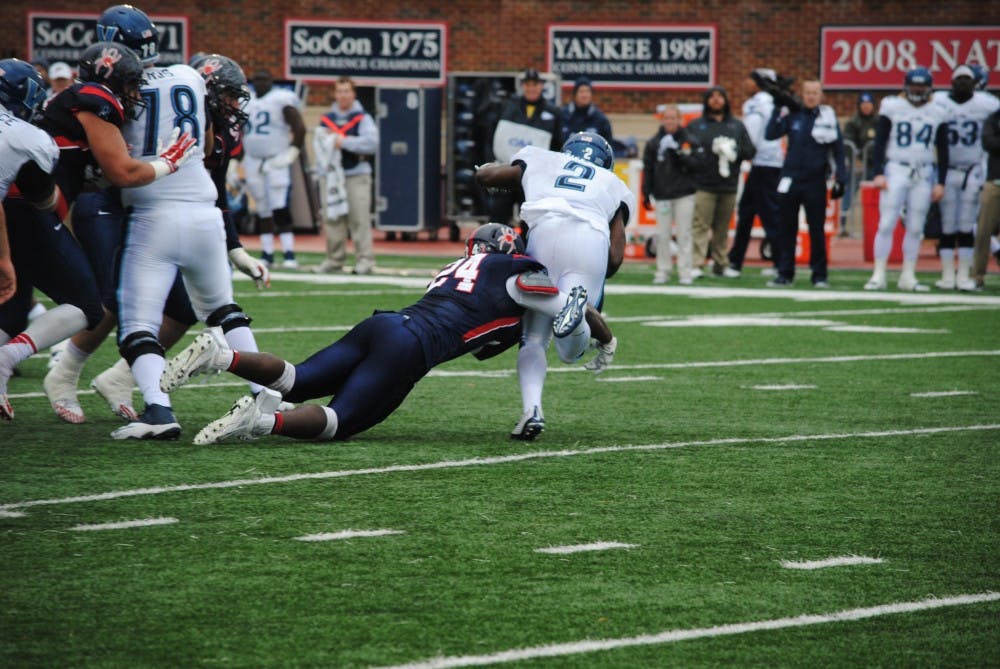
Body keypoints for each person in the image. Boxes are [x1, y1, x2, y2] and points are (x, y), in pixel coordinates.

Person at [160, 224, 612, 444]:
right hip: (411, 346)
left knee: (298, 379)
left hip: (384, 323)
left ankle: (222, 357)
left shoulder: (454, 268)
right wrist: (604, 334)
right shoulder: (518, 271)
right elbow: (568, 306)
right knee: (340, 423)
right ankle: (259, 421)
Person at [1, 45, 196, 421]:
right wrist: (168, 163)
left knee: (11, 309)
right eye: (131, 84)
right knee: (88, 305)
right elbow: (118, 173)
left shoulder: (65, 109)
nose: (137, 94)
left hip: (20, 206)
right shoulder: (95, 101)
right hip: (28, 209)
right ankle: (10, 361)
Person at [109, 40, 259, 440]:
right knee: (223, 310)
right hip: (204, 213)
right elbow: (207, 145)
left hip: (151, 213)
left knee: (139, 324)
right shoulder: (189, 76)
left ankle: (158, 409)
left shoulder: (123, 88)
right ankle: (267, 391)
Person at [476, 132, 632, 440]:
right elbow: (615, 258)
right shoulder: (614, 184)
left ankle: (532, 411)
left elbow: (488, 176)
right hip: (589, 239)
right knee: (569, 352)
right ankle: (573, 315)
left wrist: (487, 170)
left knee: (533, 338)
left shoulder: (541, 157)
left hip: (544, 235)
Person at [865, 67, 949, 292]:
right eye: (914, 86)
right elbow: (880, 141)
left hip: (923, 171)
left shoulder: (938, 110)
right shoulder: (893, 106)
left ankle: (908, 275)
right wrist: (878, 172)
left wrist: (941, 181)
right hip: (896, 169)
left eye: (921, 87)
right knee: (886, 222)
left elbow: (942, 148)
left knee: (915, 227)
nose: (917, 91)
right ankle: (878, 273)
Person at [763, 79, 847, 287]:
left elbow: (838, 149)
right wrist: (777, 107)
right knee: (786, 228)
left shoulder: (827, 117)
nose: (810, 96)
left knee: (816, 229)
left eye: (815, 93)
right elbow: (771, 134)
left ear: (821, 96)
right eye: (807, 92)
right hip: (790, 179)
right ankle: (785, 273)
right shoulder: (793, 114)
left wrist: (841, 178)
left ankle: (819, 275)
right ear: (802, 94)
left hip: (815, 180)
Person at [931, 65, 1000, 291]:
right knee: (948, 224)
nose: (962, 83)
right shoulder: (939, 101)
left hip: (973, 168)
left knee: (967, 223)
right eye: (958, 79)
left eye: (966, 79)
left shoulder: (986, 103)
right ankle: (948, 275)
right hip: (948, 168)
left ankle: (964, 275)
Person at [311, 76, 379, 275]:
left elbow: (371, 144)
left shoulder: (362, 118)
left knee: (359, 218)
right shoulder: (327, 119)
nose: (343, 96)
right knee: (332, 218)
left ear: (353, 94)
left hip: (355, 173)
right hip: (332, 176)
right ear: (335, 94)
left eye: (346, 91)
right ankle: (334, 259)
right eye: (339, 91)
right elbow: (321, 147)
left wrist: (344, 141)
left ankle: (365, 260)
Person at [685, 86, 755, 277]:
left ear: (726, 100)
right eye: (712, 97)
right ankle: (697, 264)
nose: (716, 100)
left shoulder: (736, 126)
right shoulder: (696, 125)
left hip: (728, 185)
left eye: (719, 97)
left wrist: (733, 151)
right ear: (707, 101)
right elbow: (687, 152)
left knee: (722, 228)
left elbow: (750, 150)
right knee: (700, 225)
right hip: (704, 185)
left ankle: (720, 264)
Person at [242, 69, 306, 268]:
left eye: (264, 79)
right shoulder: (248, 101)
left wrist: (293, 151)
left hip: (275, 159)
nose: (261, 82)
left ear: (271, 81)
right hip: (253, 159)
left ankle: (288, 253)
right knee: (261, 207)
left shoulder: (281, 99)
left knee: (279, 205)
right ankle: (267, 252)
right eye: (257, 78)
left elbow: (299, 126)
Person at [726, 69, 785, 279]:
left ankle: (779, 262)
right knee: (748, 212)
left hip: (764, 164)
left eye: (749, 79)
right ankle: (736, 261)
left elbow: (751, 134)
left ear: (758, 83)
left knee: (765, 215)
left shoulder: (756, 102)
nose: (745, 83)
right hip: (769, 163)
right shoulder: (772, 101)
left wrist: (741, 150)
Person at [488, 68, 563, 225]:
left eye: (535, 85)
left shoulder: (553, 113)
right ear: (523, 86)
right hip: (507, 172)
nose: (531, 88)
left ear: (541, 86)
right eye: (528, 85)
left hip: (534, 178)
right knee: (498, 215)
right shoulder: (508, 108)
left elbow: (558, 146)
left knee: (531, 221)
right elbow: (493, 136)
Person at [641, 104, 697, 284]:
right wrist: (646, 192)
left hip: (684, 195)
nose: (670, 121)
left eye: (674, 118)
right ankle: (663, 270)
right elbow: (648, 169)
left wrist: (678, 152)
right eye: (667, 118)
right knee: (663, 235)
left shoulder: (688, 139)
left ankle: (685, 271)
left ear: (679, 120)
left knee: (684, 234)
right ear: (662, 120)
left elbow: (695, 165)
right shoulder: (653, 142)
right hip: (663, 195)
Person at [971, 106, 1000, 289]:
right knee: (983, 231)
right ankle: (977, 277)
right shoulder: (994, 118)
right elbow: (988, 143)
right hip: (995, 181)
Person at [559, 77, 612, 143]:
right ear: (575, 94)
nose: (584, 95)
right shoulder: (562, 116)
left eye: (587, 91)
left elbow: (608, 145)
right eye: (581, 91)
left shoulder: (600, 119)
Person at [843, 91, 878, 180]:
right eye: (863, 103)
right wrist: (856, 160)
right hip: (859, 162)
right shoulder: (853, 122)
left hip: (876, 163)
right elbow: (848, 143)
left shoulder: (879, 121)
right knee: (850, 188)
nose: (866, 106)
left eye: (868, 103)